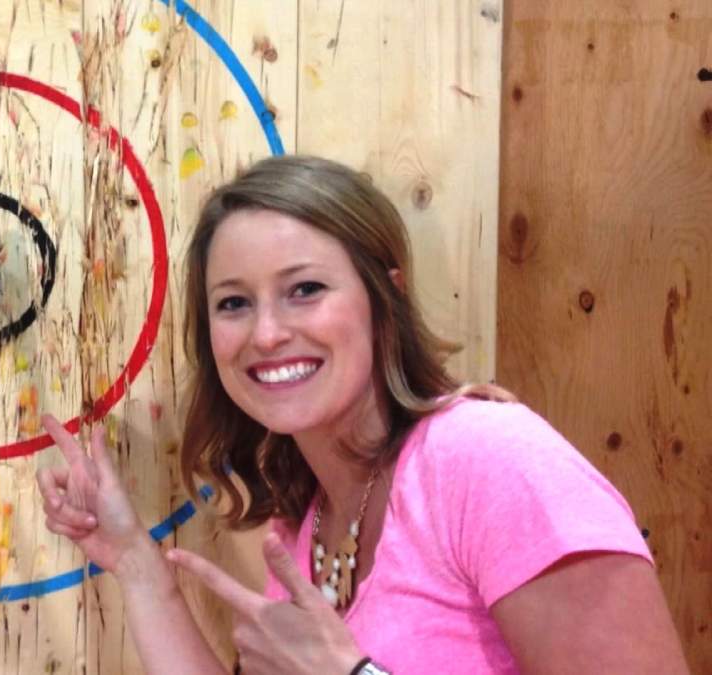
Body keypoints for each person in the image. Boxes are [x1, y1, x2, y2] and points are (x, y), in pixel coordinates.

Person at [36, 156, 687, 674]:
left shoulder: (487, 457)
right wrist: (133, 560)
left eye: (306, 289)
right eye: (233, 303)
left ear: (385, 296)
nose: (266, 333)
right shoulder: (308, 525)